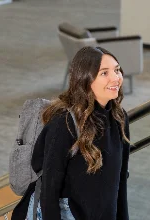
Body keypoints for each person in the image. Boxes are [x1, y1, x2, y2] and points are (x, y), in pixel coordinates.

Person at [12, 46, 131, 220]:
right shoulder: (65, 122)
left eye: (117, 70)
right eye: (104, 73)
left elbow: (120, 180)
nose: (115, 78)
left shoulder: (120, 118)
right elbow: (49, 189)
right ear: (85, 80)